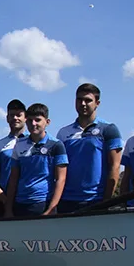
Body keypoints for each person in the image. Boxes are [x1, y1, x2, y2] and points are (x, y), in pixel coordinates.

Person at [56, 83, 123, 212]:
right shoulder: (63, 133)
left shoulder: (109, 129)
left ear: (97, 103)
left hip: (96, 200)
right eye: (79, 99)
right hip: (66, 200)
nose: (83, 104)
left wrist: (107, 200)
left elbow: (115, 166)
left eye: (88, 100)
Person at [4, 103, 68, 218]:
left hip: (42, 203)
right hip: (20, 204)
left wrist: (51, 208)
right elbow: (13, 179)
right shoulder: (19, 145)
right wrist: (8, 209)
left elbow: (61, 179)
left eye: (37, 120)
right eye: (30, 120)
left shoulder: (56, 145)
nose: (33, 124)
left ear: (47, 122)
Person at [0, 99, 26, 217]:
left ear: (25, 118)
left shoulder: (33, 143)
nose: (15, 118)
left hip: (25, 200)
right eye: (12, 115)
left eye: (19, 115)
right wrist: (1, 195)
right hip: (1, 201)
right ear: (7, 118)